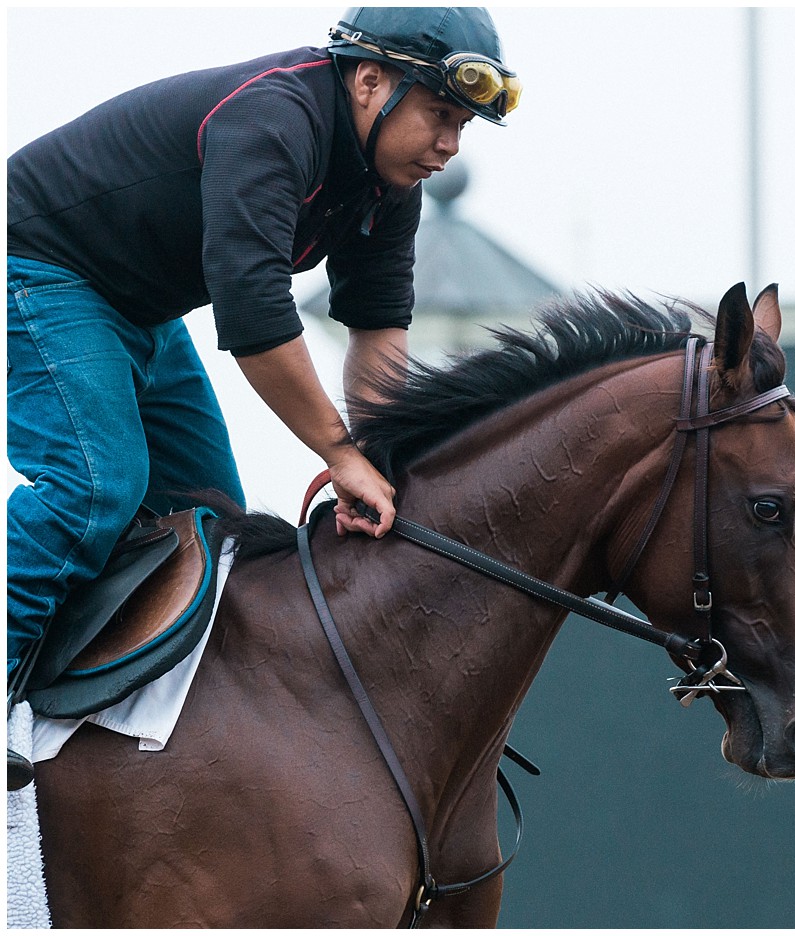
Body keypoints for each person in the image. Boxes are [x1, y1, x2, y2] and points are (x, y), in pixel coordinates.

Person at [6, 7, 522, 789]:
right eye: (441, 116)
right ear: (369, 81)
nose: (449, 146)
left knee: (212, 519)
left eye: (463, 127)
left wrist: (380, 463)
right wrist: (337, 453)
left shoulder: (390, 184)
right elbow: (253, 317)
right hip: (38, 267)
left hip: (138, 311)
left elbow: (377, 326)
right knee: (94, 489)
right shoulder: (273, 119)